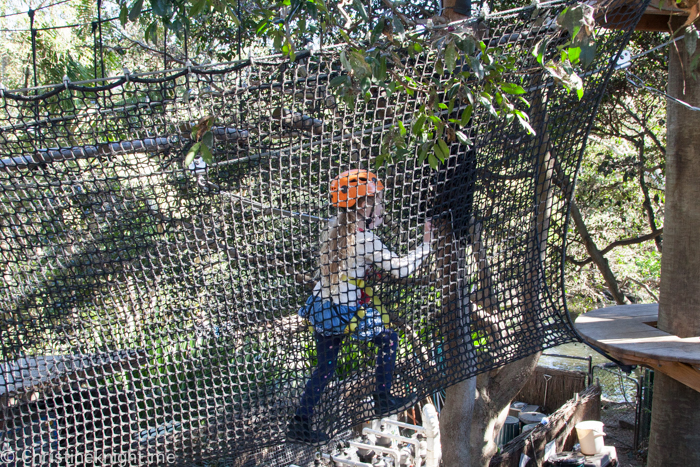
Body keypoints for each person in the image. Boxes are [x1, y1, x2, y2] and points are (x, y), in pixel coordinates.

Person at [287, 169, 434, 445]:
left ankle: (300, 422)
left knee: (325, 368)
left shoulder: (333, 228)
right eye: (377, 202)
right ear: (363, 206)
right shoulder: (366, 240)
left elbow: (348, 266)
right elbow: (401, 269)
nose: (382, 207)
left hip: (323, 307)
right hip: (344, 312)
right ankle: (382, 398)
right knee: (389, 339)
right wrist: (426, 246)